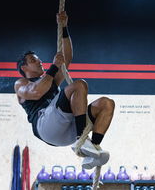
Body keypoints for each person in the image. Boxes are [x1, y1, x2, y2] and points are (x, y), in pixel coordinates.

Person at [14, 11, 115, 169]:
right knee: (79, 85)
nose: (39, 61)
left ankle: (92, 149)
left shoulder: (50, 78)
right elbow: (36, 92)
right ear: (24, 67)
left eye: (39, 58)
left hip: (67, 127)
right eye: (33, 60)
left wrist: (64, 28)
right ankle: (81, 139)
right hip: (46, 127)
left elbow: (67, 57)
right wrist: (53, 67)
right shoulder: (21, 83)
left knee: (107, 104)